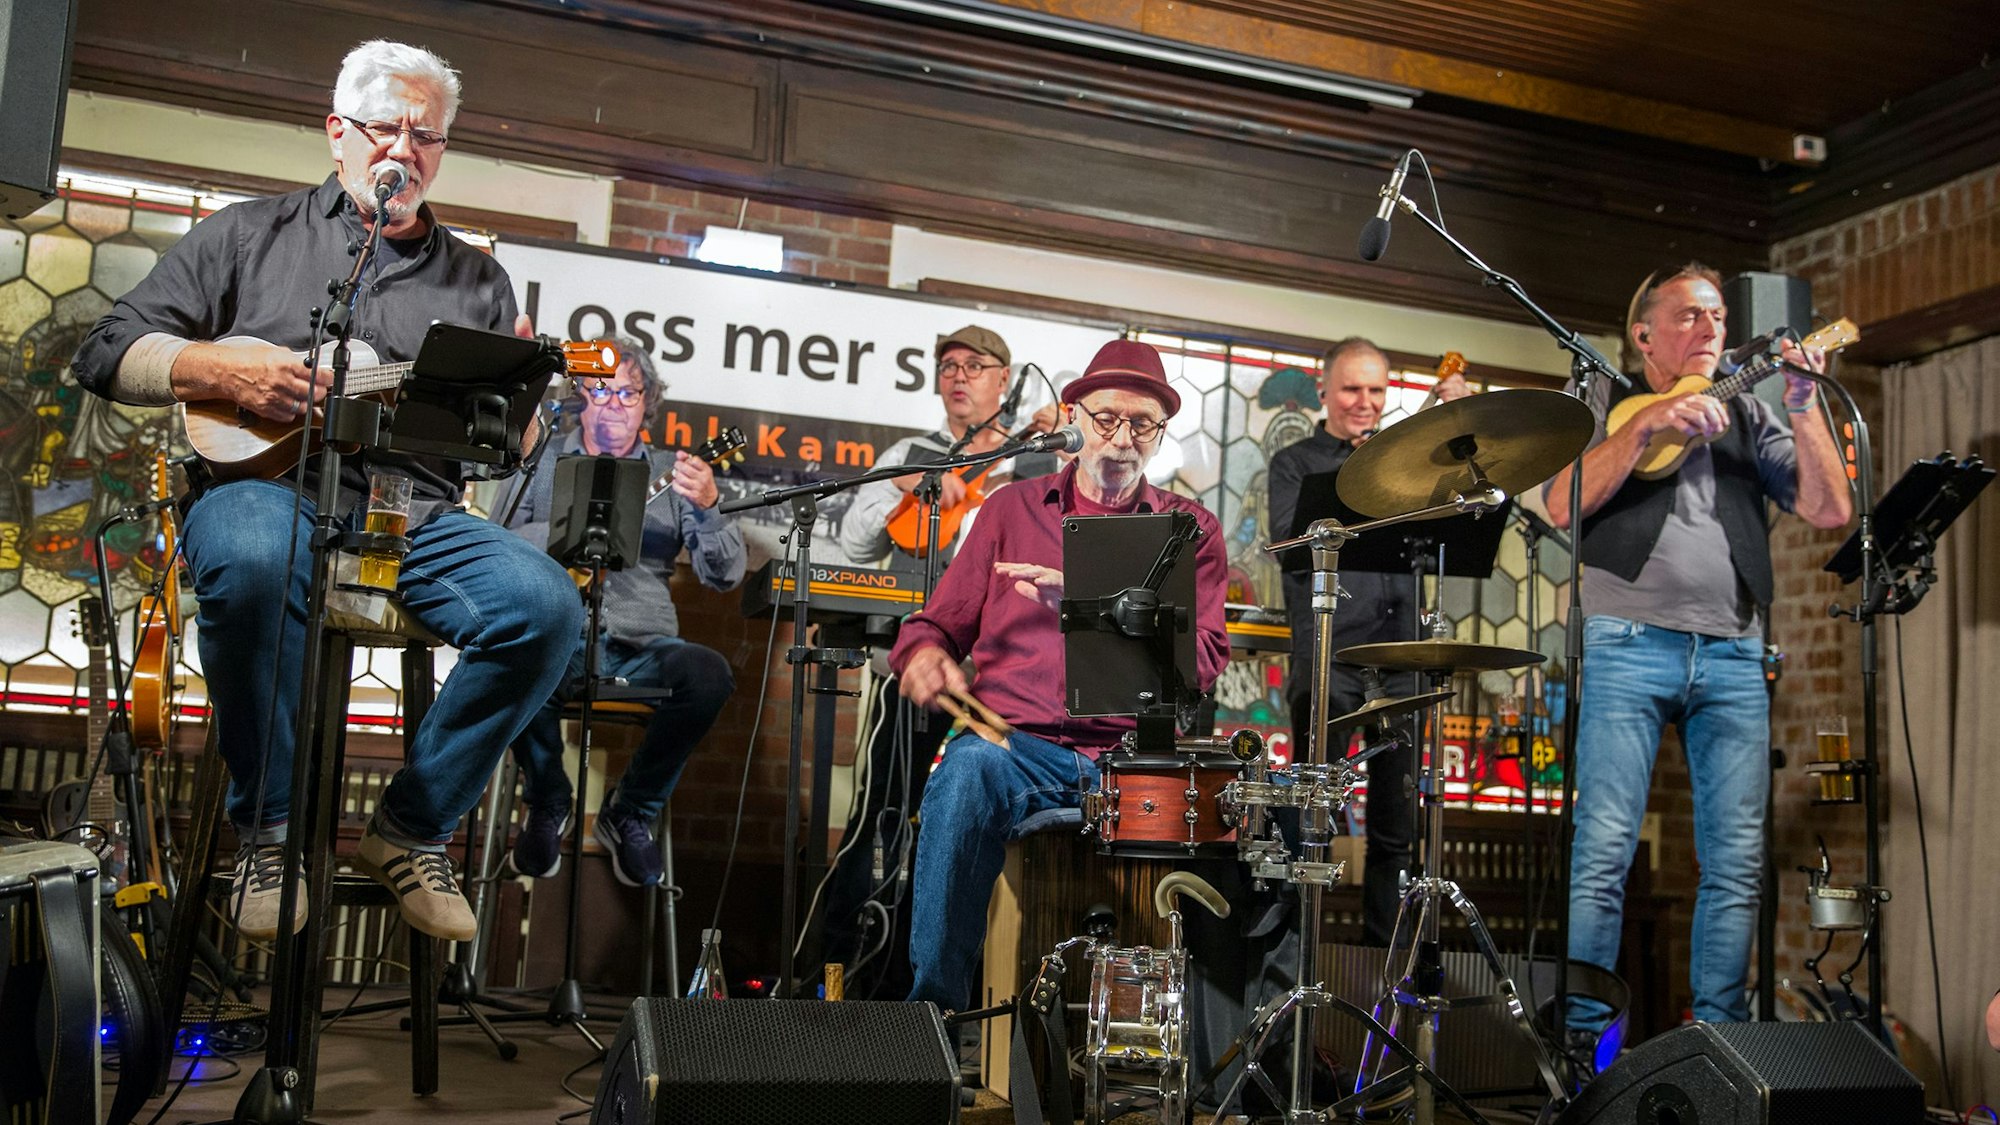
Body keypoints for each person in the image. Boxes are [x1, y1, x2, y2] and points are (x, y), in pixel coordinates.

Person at [69, 40, 583, 942]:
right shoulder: (246, 234)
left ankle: (411, 826)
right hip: (265, 489)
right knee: (258, 551)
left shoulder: (479, 280)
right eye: (387, 127)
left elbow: (496, 451)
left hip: (412, 514)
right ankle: (268, 829)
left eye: (427, 135)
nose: (405, 150)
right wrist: (225, 372)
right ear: (337, 133)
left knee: (545, 606)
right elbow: (106, 352)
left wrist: (522, 417)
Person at [1546, 263, 1852, 1034]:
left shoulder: (1752, 410)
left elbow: (1828, 506)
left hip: (1736, 653)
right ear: (1643, 334)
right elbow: (1559, 504)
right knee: (1604, 849)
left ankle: (1719, 1038)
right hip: (1626, 642)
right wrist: (1648, 426)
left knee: (1737, 861)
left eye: (1716, 316)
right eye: (1689, 315)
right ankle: (1584, 1043)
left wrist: (1804, 401)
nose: (1710, 329)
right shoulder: (1606, 401)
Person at [889, 337, 1229, 1013]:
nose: (1122, 438)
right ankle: (931, 1020)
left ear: (1159, 434)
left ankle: (1188, 1046)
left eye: (1142, 423)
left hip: (1135, 763)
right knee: (963, 772)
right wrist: (923, 652)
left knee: (1246, 824)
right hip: (1016, 748)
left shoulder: (1189, 528)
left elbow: (1204, 661)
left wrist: (1082, 604)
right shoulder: (1010, 509)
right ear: (1074, 420)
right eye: (1106, 418)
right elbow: (938, 620)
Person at [823, 324, 1057, 994]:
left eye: (976, 365)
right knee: (881, 815)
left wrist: (1057, 436)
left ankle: (974, 985)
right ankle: (860, 975)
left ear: (1003, 380)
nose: (958, 375)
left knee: (980, 825)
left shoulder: (1040, 456)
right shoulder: (914, 453)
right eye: (948, 365)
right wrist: (917, 491)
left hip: (1001, 687)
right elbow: (859, 540)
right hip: (921, 675)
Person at [497, 338, 743, 888]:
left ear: (647, 400)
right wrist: (567, 532)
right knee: (508, 653)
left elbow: (724, 575)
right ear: (581, 395)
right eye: (601, 391)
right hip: (557, 639)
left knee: (708, 676)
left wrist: (707, 507)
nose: (614, 404)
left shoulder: (674, 475)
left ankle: (631, 809)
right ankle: (547, 797)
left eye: (628, 393)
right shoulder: (541, 459)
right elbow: (497, 543)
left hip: (643, 646)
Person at [1265, 336, 1468, 944]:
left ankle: (1385, 958)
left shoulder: (1404, 460)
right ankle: (1298, 952)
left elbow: (1453, 528)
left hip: (1402, 656)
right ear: (1323, 389)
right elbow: (1292, 548)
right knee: (1311, 816)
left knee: (1395, 826)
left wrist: (1449, 437)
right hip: (1331, 657)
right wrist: (1359, 469)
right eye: (1352, 388)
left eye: (1377, 390)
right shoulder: (1295, 462)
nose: (1365, 402)